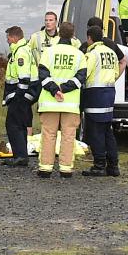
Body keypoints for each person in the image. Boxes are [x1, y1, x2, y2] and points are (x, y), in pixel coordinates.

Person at [37, 22, 87, 178]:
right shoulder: (79, 54)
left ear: (58, 33)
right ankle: (65, 168)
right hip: (70, 104)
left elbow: (43, 75)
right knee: (68, 135)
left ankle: (45, 167)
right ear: (73, 35)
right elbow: (81, 78)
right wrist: (64, 89)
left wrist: (55, 89)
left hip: (49, 102)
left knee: (48, 134)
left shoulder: (48, 52)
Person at [81, 26, 121, 177]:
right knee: (107, 131)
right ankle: (113, 165)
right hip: (109, 93)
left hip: (95, 95)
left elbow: (84, 73)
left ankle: (99, 165)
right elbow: (116, 73)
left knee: (95, 131)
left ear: (89, 38)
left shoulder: (92, 54)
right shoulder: (111, 52)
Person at [3, 26, 40, 167]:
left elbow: (24, 78)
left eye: (8, 37)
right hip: (24, 94)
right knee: (20, 124)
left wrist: (19, 97)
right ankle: (21, 155)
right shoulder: (22, 49)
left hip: (21, 95)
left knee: (13, 125)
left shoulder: (20, 52)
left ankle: (20, 157)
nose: (7, 40)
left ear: (14, 37)